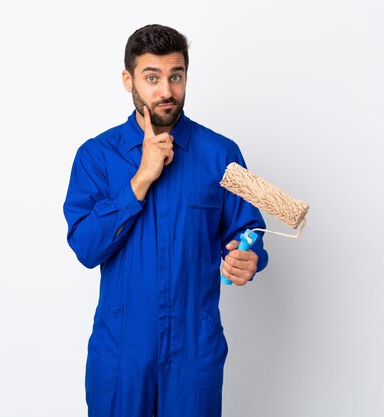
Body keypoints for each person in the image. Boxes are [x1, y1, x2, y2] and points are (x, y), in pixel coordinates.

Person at [63, 24, 269, 417]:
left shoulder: (223, 152)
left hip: (194, 350)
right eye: (152, 77)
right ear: (129, 80)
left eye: (176, 76)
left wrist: (252, 256)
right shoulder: (95, 156)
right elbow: (86, 248)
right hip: (122, 354)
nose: (166, 91)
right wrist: (140, 179)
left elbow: (251, 230)